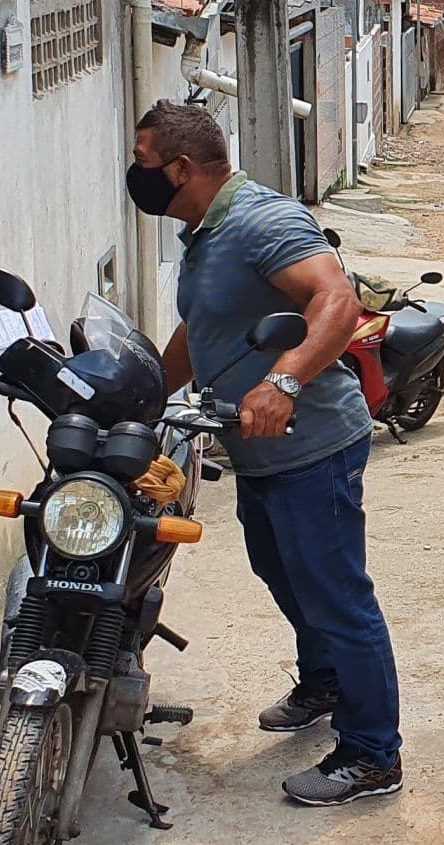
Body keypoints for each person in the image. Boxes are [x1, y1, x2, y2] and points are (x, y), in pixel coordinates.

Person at [129, 100, 407, 807]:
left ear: (181, 168)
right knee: (281, 571)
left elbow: (336, 302)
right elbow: (202, 328)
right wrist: (141, 393)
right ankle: (325, 682)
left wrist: (283, 380)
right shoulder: (205, 231)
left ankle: (373, 753)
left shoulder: (261, 220)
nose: (134, 173)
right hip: (255, 449)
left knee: (337, 594)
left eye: (142, 161)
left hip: (311, 445)